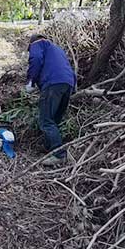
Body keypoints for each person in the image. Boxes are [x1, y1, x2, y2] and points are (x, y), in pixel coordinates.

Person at [25, 33, 76, 166]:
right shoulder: (57, 49)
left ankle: (59, 155)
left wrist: (30, 81)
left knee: (46, 121)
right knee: (54, 120)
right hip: (67, 83)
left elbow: (35, 59)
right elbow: (67, 66)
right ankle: (51, 149)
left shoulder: (37, 44)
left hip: (53, 84)